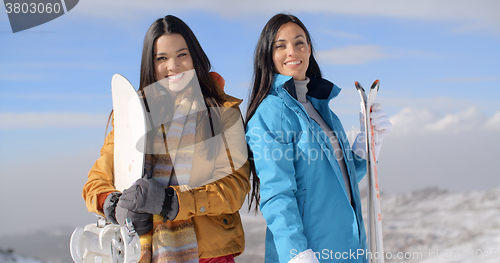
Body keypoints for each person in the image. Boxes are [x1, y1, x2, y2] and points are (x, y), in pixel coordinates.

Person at [82, 15, 250, 263]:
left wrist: (170, 202)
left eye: (182, 55)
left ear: (195, 57)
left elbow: (234, 188)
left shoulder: (222, 112)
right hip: (142, 252)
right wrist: (116, 205)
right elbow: (96, 182)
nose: (173, 66)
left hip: (208, 256)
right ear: (150, 63)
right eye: (162, 58)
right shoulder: (133, 116)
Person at [245, 14, 392, 263]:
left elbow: (334, 181)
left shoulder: (323, 110)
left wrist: (368, 144)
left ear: (309, 49)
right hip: (310, 252)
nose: (292, 51)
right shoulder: (271, 112)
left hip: (347, 247)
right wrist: (297, 254)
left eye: (299, 43)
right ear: (268, 54)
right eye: (281, 45)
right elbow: (277, 194)